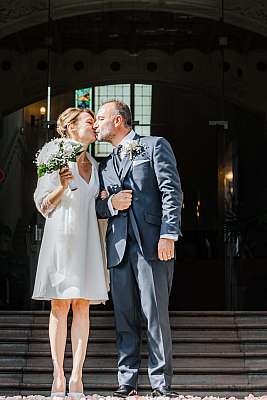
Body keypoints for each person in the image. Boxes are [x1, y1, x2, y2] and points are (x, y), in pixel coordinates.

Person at [94, 100, 183, 397]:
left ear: (119, 121)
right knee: (124, 317)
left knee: (155, 315)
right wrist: (110, 203)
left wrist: (169, 233)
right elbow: (96, 206)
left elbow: (171, 191)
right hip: (118, 249)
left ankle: (161, 384)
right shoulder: (105, 165)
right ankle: (127, 381)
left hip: (152, 246)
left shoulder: (154, 146)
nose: (96, 124)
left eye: (101, 118)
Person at [32, 107, 109, 400]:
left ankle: (77, 377)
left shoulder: (95, 163)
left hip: (88, 239)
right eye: (89, 122)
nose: (94, 126)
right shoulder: (54, 155)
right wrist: (62, 186)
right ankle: (57, 376)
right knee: (60, 306)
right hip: (62, 238)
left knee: (82, 306)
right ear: (70, 127)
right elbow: (42, 204)